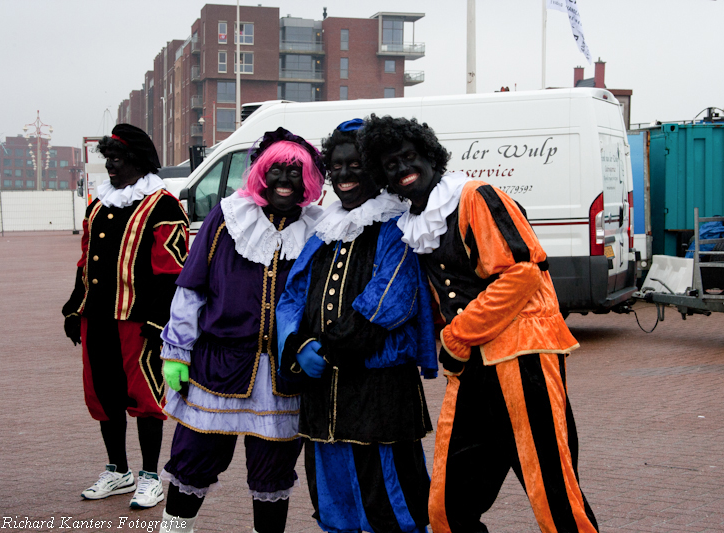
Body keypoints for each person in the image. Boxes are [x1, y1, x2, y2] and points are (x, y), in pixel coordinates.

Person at [358, 115, 599, 533]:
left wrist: (456, 335)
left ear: (431, 157)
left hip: (522, 356)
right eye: (390, 164)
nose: (400, 168)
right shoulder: (417, 222)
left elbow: (522, 272)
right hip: (472, 370)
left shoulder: (475, 197)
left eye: (408, 157)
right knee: (450, 508)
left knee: (552, 490)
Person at [158, 128, 325, 533]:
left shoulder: (321, 228)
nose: (285, 181)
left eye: (294, 172)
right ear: (260, 175)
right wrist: (176, 352)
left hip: (284, 376)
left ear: (309, 180)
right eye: (276, 171)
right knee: (193, 459)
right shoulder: (227, 217)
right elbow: (191, 286)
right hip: (218, 367)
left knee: (272, 472)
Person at [276, 119, 437, 533]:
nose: (344, 175)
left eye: (355, 165)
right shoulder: (325, 230)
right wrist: (295, 344)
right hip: (323, 391)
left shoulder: (394, 224)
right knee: (333, 497)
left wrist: (327, 348)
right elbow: (295, 294)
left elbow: (389, 301)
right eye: (337, 166)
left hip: (377, 387)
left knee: (388, 500)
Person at [61, 124, 189, 509]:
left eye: (117, 159)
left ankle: (151, 477)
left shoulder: (163, 205)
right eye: (109, 159)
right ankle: (118, 470)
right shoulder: (99, 205)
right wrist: (73, 306)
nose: (111, 167)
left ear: (137, 161)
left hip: (138, 320)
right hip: (98, 316)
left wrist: (157, 321)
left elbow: (172, 271)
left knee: (146, 396)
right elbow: (87, 263)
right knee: (104, 394)